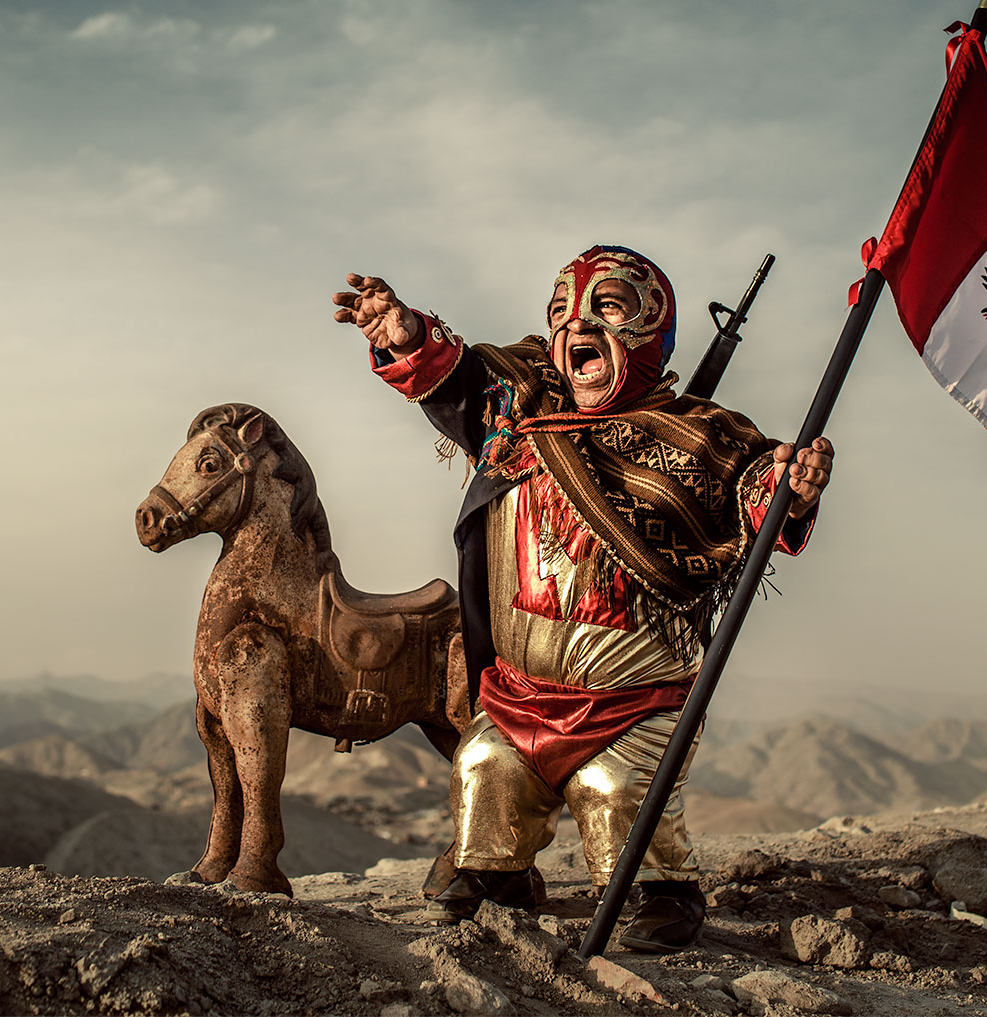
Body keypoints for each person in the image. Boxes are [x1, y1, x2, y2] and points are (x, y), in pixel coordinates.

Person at [331, 246, 833, 953]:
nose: (577, 327)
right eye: (564, 313)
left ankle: (662, 890)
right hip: (517, 694)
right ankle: (496, 874)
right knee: (484, 768)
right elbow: (462, 380)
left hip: (633, 703)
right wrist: (407, 335)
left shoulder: (701, 433)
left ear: (650, 335)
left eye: (607, 308)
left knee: (615, 788)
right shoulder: (521, 409)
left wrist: (789, 482)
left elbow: (753, 487)